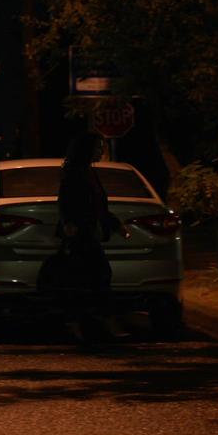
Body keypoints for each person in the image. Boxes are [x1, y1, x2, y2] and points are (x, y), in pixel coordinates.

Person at [57, 131, 128, 340]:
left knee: (87, 278)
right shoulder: (74, 173)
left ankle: (80, 322)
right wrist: (69, 223)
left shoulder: (89, 172)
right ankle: (99, 320)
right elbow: (65, 200)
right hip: (80, 233)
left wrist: (116, 225)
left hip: (89, 232)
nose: (101, 151)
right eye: (98, 148)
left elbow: (99, 206)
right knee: (97, 274)